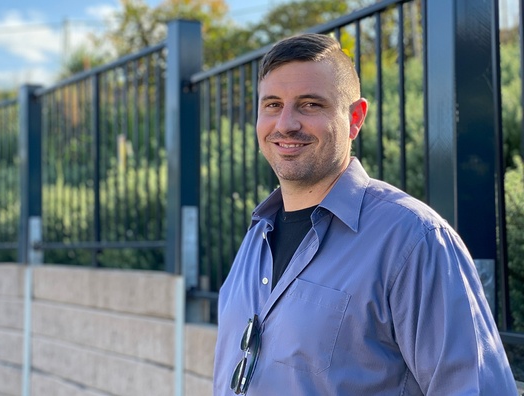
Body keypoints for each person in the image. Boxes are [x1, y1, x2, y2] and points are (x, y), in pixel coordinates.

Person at [212, 33, 518, 395]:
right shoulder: (257, 236)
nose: (286, 124)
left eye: (310, 105)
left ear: (355, 118)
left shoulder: (412, 238)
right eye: (273, 105)